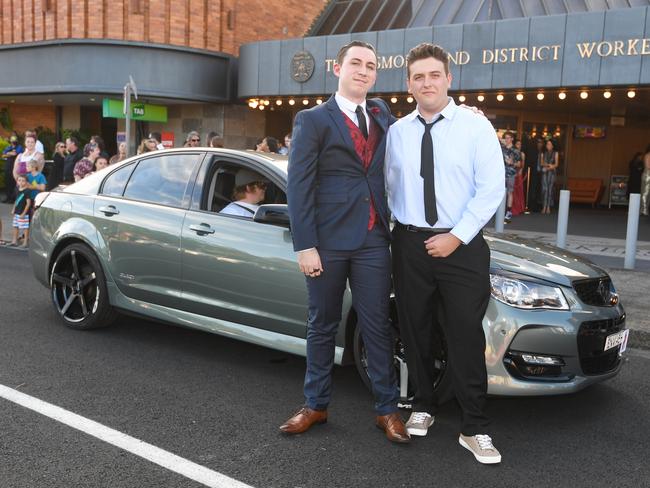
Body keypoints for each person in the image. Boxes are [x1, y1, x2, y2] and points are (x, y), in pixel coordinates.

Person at [282, 40, 409, 443]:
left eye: (371, 65)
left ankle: (387, 410)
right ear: (337, 69)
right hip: (328, 241)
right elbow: (298, 187)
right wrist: (304, 245)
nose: (363, 70)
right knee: (322, 325)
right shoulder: (313, 119)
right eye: (355, 63)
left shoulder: (382, 113)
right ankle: (315, 405)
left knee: (377, 326)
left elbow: (417, 128)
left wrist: (467, 113)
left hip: (373, 239)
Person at [385, 43, 504, 464]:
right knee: (414, 328)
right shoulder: (397, 133)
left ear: (449, 79)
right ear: (409, 84)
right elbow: (387, 189)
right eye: (418, 77)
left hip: (463, 244)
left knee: (464, 333)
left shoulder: (476, 127)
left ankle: (474, 427)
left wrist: (456, 236)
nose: (427, 83)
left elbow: (491, 189)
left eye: (434, 75)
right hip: (410, 244)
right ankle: (423, 405)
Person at [501, 131, 520, 222]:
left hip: (511, 173)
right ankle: (499, 211)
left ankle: (508, 212)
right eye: (506, 138)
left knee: (510, 192)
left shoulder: (516, 150)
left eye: (509, 138)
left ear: (512, 139)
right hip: (501, 173)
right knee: (500, 192)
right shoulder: (502, 149)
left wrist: (512, 163)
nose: (507, 139)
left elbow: (519, 163)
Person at [10, 174, 32, 247]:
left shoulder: (27, 191)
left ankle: (25, 242)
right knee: (15, 226)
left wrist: (23, 213)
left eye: (23, 181)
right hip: (17, 211)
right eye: (19, 180)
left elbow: (28, 204)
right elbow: (16, 200)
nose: (21, 182)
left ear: (26, 182)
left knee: (25, 227)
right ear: (17, 181)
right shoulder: (16, 189)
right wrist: (13, 209)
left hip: (24, 213)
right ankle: (14, 241)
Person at [540, 139, 559, 214]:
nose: (548, 146)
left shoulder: (555, 153)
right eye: (547, 144)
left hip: (551, 173)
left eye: (550, 144)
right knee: (545, 189)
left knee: (550, 189)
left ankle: (548, 207)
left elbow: (556, 164)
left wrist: (551, 167)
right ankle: (544, 206)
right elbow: (541, 163)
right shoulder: (543, 153)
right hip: (545, 172)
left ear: (553, 145)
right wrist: (549, 165)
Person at [2, 134, 23, 202]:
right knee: (7, 182)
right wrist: (10, 153)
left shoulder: (19, 147)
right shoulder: (9, 147)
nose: (13, 141)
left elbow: (15, 154)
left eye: (14, 140)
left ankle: (13, 198)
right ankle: (8, 197)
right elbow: (3, 155)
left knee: (14, 182)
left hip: (15, 167)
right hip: (8, 166)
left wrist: (8, 153)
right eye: (12, 140)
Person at [511, 139, 526, 216]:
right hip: (513, 172)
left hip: (519, 173)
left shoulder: (522, 154)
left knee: (519, 191)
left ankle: (520, 208)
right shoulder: (513, 152)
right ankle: (513, 208)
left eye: (520, 144)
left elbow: (522, 165)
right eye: (517, 144)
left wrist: (520, 172)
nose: (518, 146)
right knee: (513, 191)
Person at [641, 145, 650, 216]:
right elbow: (648, 166)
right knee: (645, 193)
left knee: (647, 193)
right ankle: (644, 210)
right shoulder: (648, 155)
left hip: (647, 174)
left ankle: (645, 209)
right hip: (648, 175)